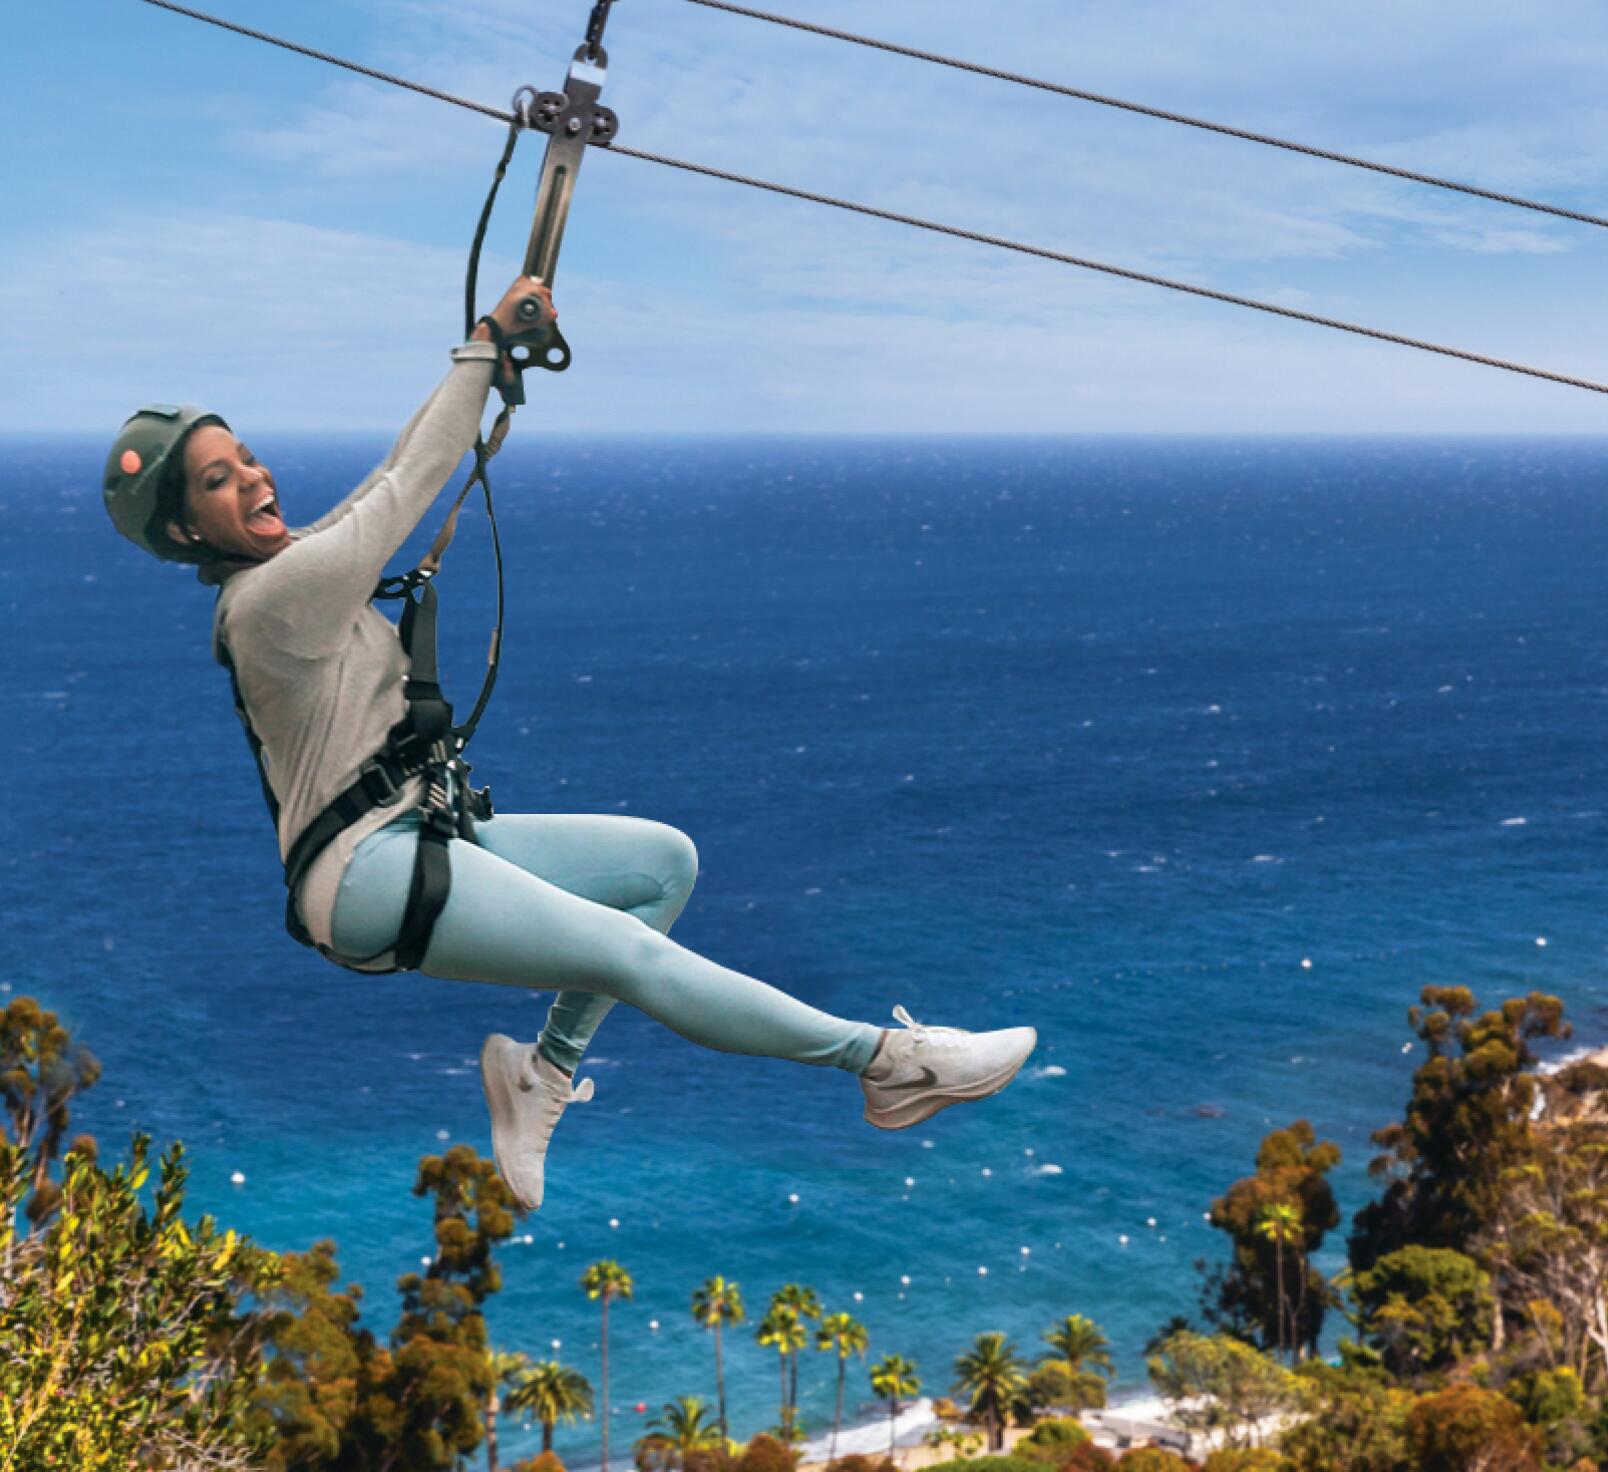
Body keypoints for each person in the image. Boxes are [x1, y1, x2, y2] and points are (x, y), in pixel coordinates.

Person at [102, 279, 1035, 1209]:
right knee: (628, 956)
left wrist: (486, 360)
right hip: (365, 876)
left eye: (248, 459)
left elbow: (378, 484)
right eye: (219, 481)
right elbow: (399, 489)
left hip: (414, 834)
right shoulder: (270, 602)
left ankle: (540, 1076)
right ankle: (885, 1061)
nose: (255, 478)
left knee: (662, 866)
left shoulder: (289, 571)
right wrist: (484, 344)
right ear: (185, 530)